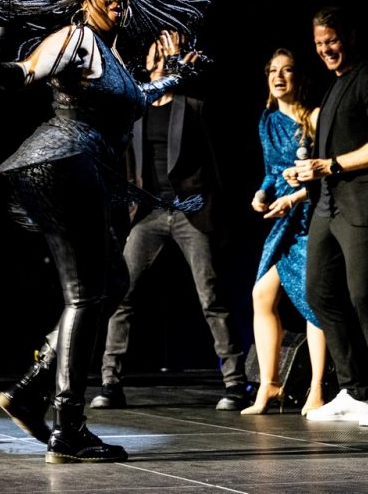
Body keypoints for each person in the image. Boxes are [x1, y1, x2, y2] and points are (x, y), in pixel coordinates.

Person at [0, 0, 253, 463]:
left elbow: (140, 99)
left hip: (75, 167)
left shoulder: (112, 56)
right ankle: (68, 426)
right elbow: (26, 72)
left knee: (111, 284)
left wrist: (176, 78)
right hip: (62, 162)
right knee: (86, 295)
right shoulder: (75, 38)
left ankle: (31, 391)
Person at [88, 30, 248, 412]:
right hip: (149, 212)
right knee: (120, 294)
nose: (160, 59)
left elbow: (217, 156)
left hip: (191, 209)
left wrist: (218, 214)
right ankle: (110, 382)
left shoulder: (193, 106)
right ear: (145, 64)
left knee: (211, 296)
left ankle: (236, 382)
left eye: (166, 55)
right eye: (154, 55)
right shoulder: (135, 109)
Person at [284, 6, 368, 426]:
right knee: (319, 292)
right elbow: (327, 158)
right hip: (327, 205)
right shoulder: (334, 87)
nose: (325, 50)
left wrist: (330, 165)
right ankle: (355, 389)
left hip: (363, 204)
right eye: (319, 45)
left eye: (331, 41)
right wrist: (306, 173)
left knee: (364, 295)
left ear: (350, 36)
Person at [241, 48, 327, 416]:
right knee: (262, 294)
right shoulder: (267, 120)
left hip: (311, 216)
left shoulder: (317, 118)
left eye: (287, 70)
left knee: (312, 300)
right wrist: (262, 194)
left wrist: (293, 198)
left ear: (300, 78)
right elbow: (270, 171)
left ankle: (318, 388)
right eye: (273, 70)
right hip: (282, 219)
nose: (279, 76)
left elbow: (326, 176)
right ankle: (270, 384)